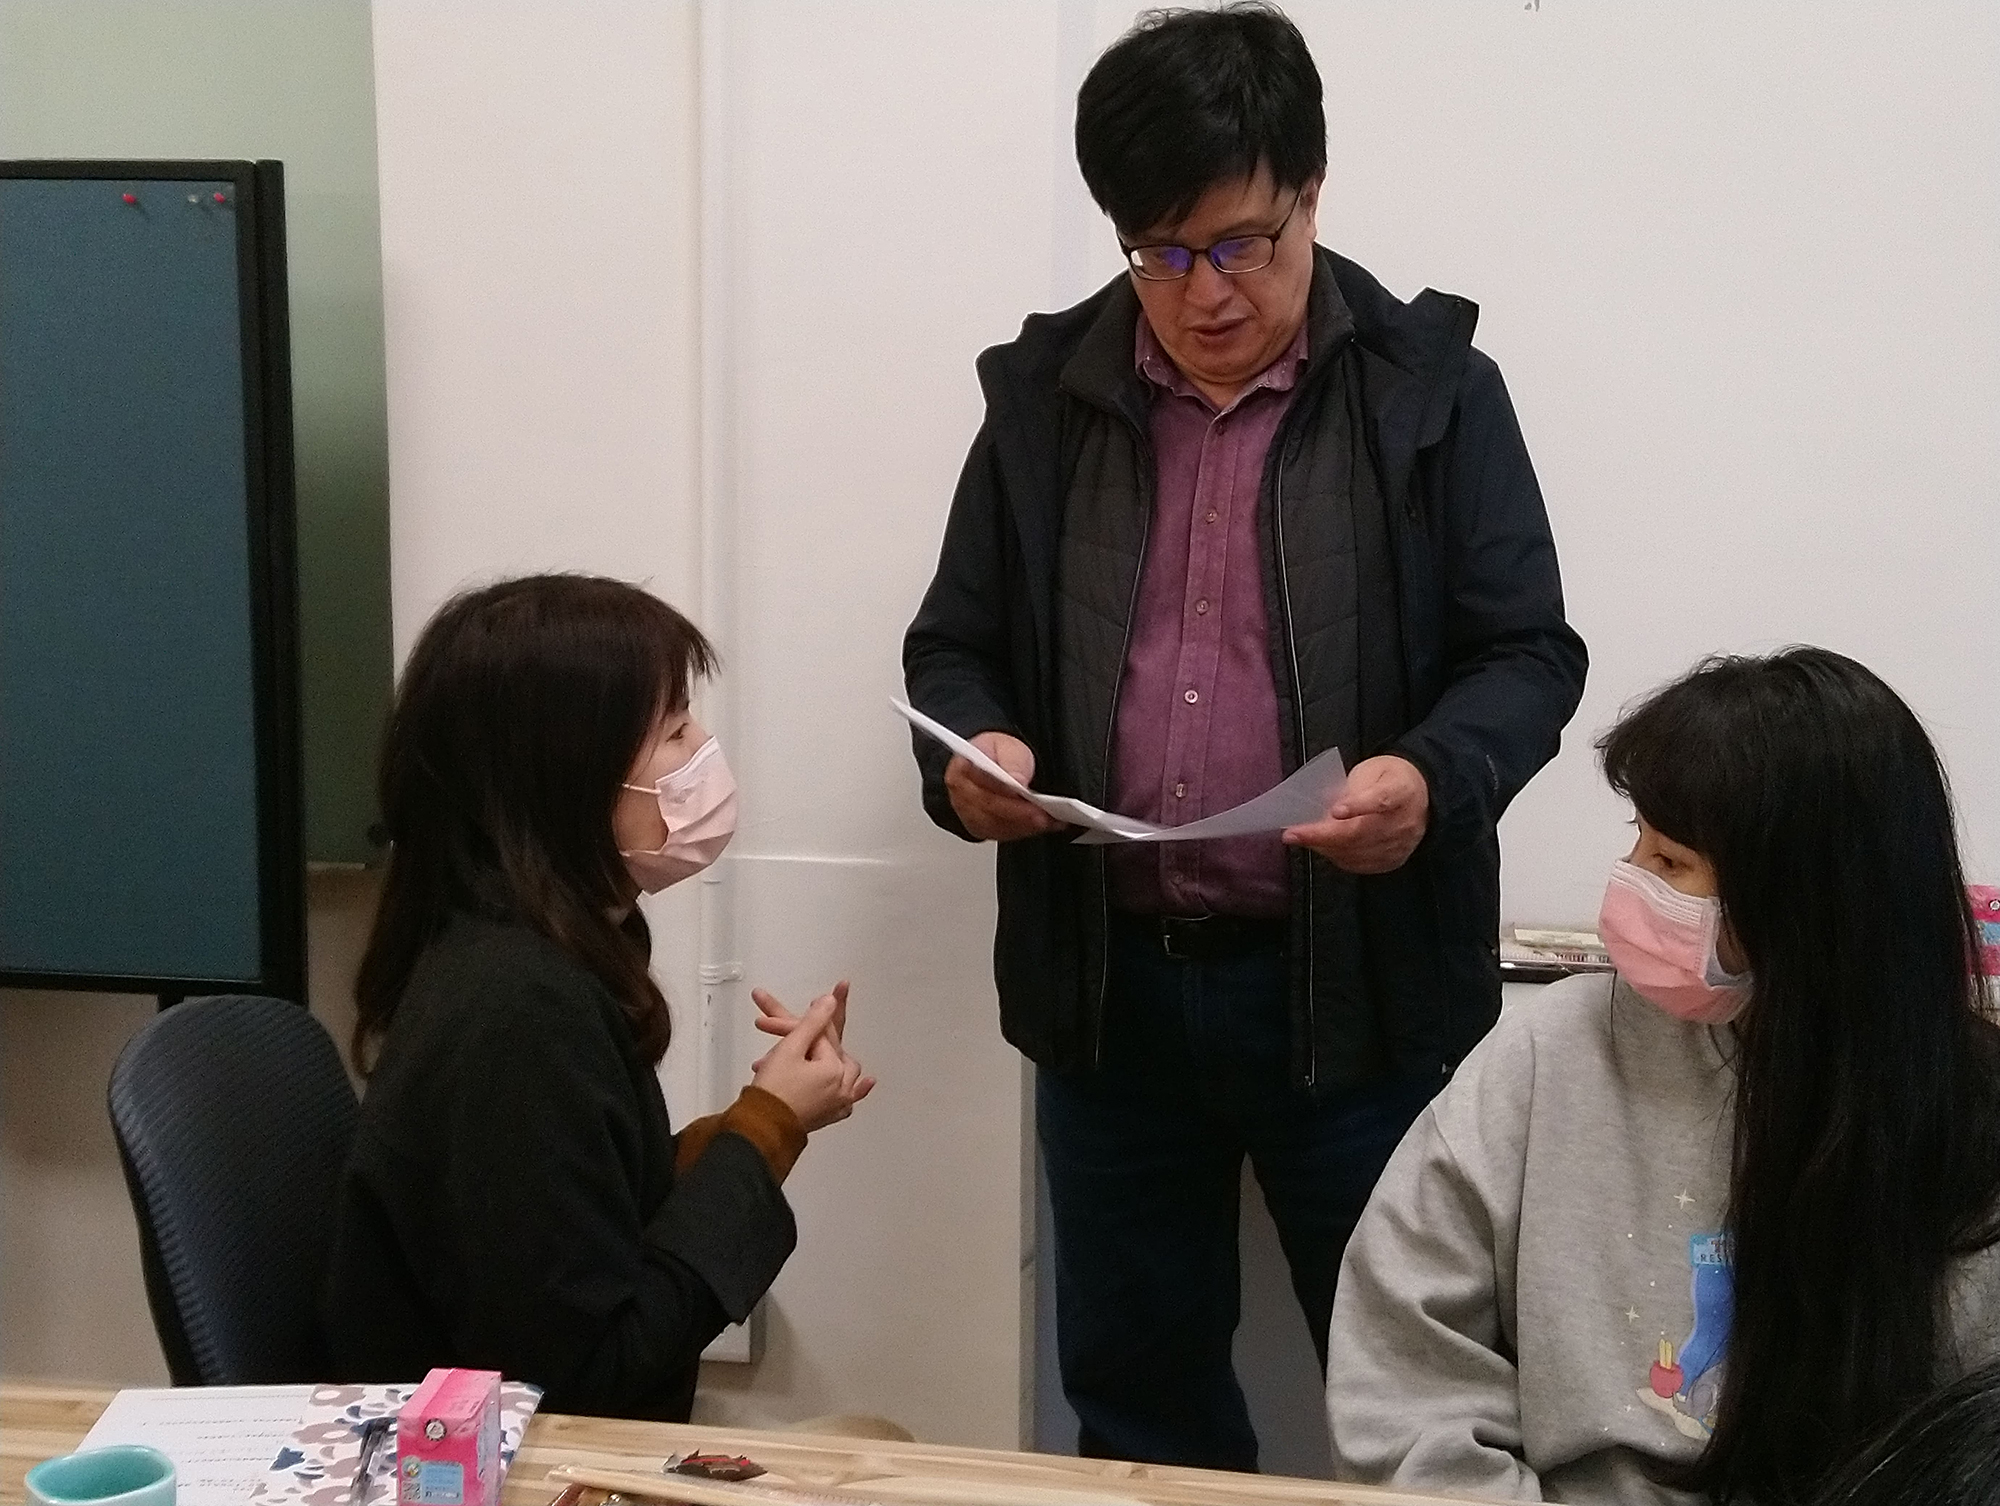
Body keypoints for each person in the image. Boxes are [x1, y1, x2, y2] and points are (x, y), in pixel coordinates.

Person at [902, 0, 1586, 1471]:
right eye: (1157, 254)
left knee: (1421, 1400)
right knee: (1135, 1396)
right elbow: (953, 645)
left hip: (1358, 997)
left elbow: (1527, 653)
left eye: (1241, 244)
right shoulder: (1042, 401)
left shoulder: (1430, 394)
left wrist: (1431, 778)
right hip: (1112, 998)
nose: (1203, 292)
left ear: (1311, 191)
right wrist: (978, 754)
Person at [1326, 647, 2000, 1504]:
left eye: (1672, 863)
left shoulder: (1966, 1114)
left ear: (1806, 900)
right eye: (1636, 838)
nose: (1629, 884)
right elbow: (1403, 1372)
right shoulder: (1549, 1055)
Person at [322, 574, 873, 1421]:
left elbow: (585, 1213)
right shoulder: (514, 1011)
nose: (704, 751)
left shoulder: (528, 954)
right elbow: (589, 1377)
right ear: (564, 778)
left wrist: (760, 1119)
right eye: (674, 731)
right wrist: (766, 1129)